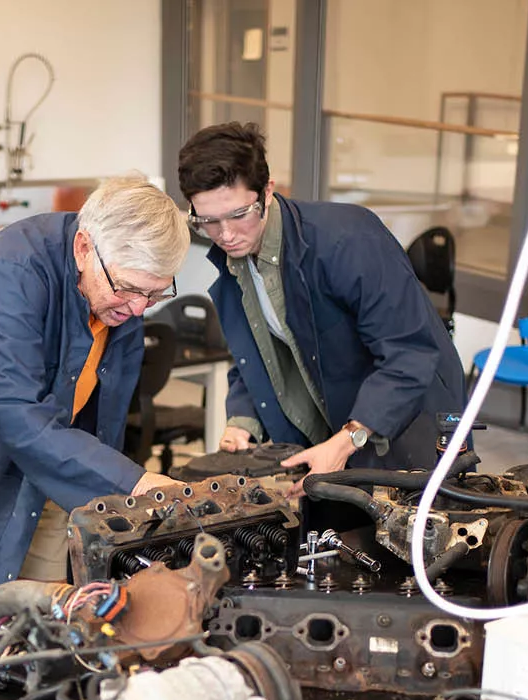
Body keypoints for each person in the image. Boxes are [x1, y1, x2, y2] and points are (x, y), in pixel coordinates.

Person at [0, 175, 191, 637]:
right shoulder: (15, 269)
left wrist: (108, 499)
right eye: (128, 289)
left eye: (156, 293)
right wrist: (133, 481)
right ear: (84, 247)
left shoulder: (116, 292)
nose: (140, 308)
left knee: (43, 629)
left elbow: (107, 412)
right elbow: (15, 410)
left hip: (57, 477)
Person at [177, 122, 464, 491]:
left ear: (267, 191)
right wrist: (242, 420)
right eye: (208, 222)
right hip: (334, 427)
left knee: (414, 538)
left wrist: (348, 440)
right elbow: (257, 354)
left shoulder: (348, 241)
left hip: (410, 422)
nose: (226, 234)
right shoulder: (237, 258)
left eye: (237, 215)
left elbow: (409, 355)